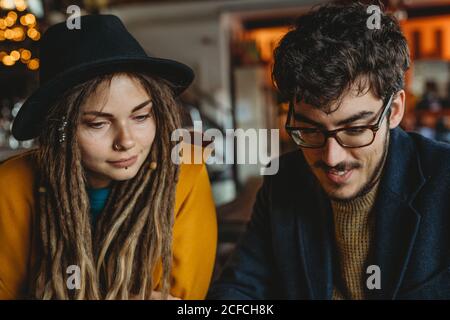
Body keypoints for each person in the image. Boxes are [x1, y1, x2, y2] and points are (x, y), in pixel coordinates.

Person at [208, 1, 450, 300]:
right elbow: (240, 289)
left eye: (354, 129)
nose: (332, 158)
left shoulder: (444, 180)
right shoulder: (283, 183)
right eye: (310, 130)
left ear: (395, 110)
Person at [0, 14, 217, 300]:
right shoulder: (12, 184)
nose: (126, 141)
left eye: (141, 116)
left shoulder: (184, 171)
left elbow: (184, 299)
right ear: (60, 129)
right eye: (97, 124)